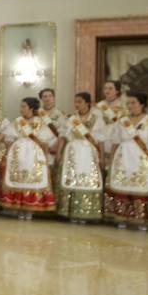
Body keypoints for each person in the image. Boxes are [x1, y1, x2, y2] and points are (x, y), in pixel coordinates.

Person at [103, 92, 148, 230]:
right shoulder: (122, 121)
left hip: (143, 158)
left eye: (133, 103)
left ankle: (141, 218)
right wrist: (111, 159)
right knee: (123, 184)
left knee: (141, 186)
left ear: (142, 104)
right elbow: (115, 141)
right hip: (124, 155)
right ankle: (122, 216)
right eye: (129, 103)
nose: (130, 106)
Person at [0, 97, 58, 219]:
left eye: (23, 106)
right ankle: (19, 206)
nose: (21, 109)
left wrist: (46, 157)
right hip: (18, 153)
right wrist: (7, 155)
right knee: (18, 178)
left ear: (31, 108)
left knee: (31, 178)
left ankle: (30, 207)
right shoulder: (18, 121)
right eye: (21, 106)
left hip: (34, 154)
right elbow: (9, 139)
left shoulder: (40, 122)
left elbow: (45, 142)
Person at [55, 92, 104, 224]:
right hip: (73, 151)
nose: (77, 104)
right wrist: (59, 153)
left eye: (80, 102)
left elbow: (100, 140)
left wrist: (102, 156)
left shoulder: (96, 119)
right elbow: (63, 136)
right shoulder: (71, 119)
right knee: (71, 178)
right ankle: (70, 211)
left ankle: (86, 211)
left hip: (89, 151)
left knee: (88, 179)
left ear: (88, 103)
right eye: (75, 102)